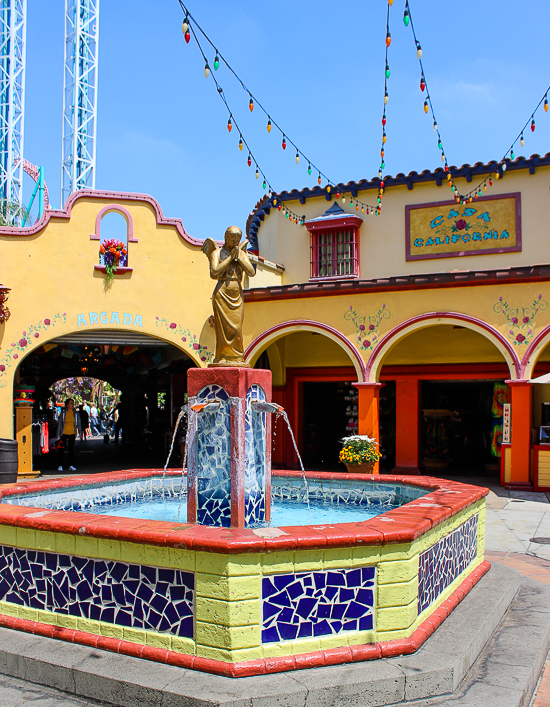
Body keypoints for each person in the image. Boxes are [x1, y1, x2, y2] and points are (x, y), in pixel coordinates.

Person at [202, 226, 256, 365]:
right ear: (226, 238)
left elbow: (251, 272)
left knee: (237, 329)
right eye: (232, 240)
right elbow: (214, 272)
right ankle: (222, 357)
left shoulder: (241, 253)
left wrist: (240, 258)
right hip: (222, 293)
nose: (235, 243)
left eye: (237, 241)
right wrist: (231, 258)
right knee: (222, 330)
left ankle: (237, 358)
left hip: (237, 293)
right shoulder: (217, 253)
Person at [56, 398, 81, 472]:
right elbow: (60, 424)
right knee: (61, 450)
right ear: (67, 405)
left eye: (73, 403)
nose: (72, 404)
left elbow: (78, 423)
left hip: (72, 433)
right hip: (63, 433)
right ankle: (60, 465)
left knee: (71, 450)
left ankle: (71, 465)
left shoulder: (76, 413)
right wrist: (58, 434)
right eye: (70, 403)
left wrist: (80, 433)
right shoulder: (63, 413)